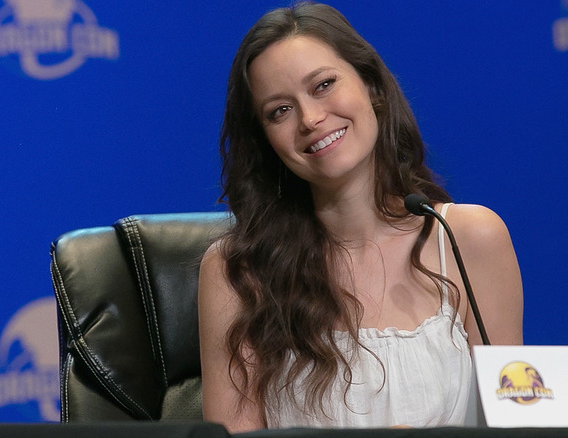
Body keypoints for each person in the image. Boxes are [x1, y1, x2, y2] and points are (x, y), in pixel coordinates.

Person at [198, 2, 523, 432]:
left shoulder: (468, 239)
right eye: (280, 110)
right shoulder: (237, 272)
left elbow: (514, 423)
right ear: (265, 141)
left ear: (373, 87)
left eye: (324, 85)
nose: (311, 119)